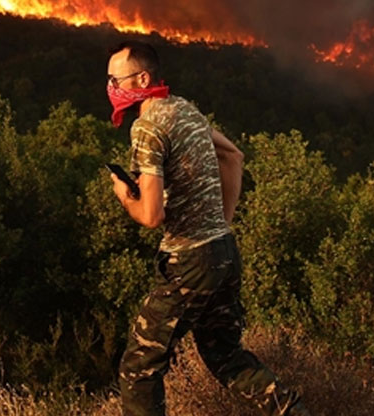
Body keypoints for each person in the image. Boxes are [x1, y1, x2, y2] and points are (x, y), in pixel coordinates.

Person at [105, 40, 311, 416]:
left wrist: (124, 194)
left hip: (190, 263)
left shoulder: (147, 127)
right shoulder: (185, 109)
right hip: (223, 252)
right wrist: (221, 223)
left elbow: (151, 216)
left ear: (142, 78)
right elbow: (233, 155)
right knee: (225, 356)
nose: (110, 88)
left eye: (115, 80)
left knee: (138, 368)